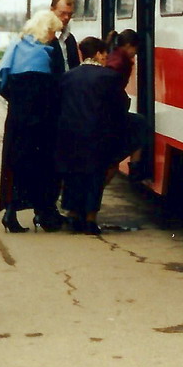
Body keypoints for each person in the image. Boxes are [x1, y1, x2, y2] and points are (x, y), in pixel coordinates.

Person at [0, 9, 65, 232]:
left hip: (17, 119)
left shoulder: (17, 45)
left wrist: (17, 102)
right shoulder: (48, 51)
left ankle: (10, 213)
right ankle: (43, 213)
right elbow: (57, 84)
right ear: (47, 29)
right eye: (54, 31)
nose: (55, 36)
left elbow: (1, 84)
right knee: (43, 166)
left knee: (16, 165)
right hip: (42, 120)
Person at [56, 36, 130, 235]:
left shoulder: (68, 77)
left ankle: (72, 215)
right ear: (98, 54)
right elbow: (121, 105)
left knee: (73, 175)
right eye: (105, 54)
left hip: (69, 135)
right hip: (97, 135)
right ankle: (89, 219)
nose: (106, 58)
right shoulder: (110, 77)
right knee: (94, 177)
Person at [105, 29, 151, 179]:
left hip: (112, 109)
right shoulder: (119, 62)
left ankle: (135, 166)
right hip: (112, 112)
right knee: (141, 125)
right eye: (135, 50)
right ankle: (135, 167)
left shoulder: (115, 56)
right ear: (129, 46)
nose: (135, 54)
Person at [48, 0, 80, 74]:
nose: (66, 17)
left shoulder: (70, 38)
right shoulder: (45, 37)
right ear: (52, 10)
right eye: (63, 13)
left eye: (70, 14)